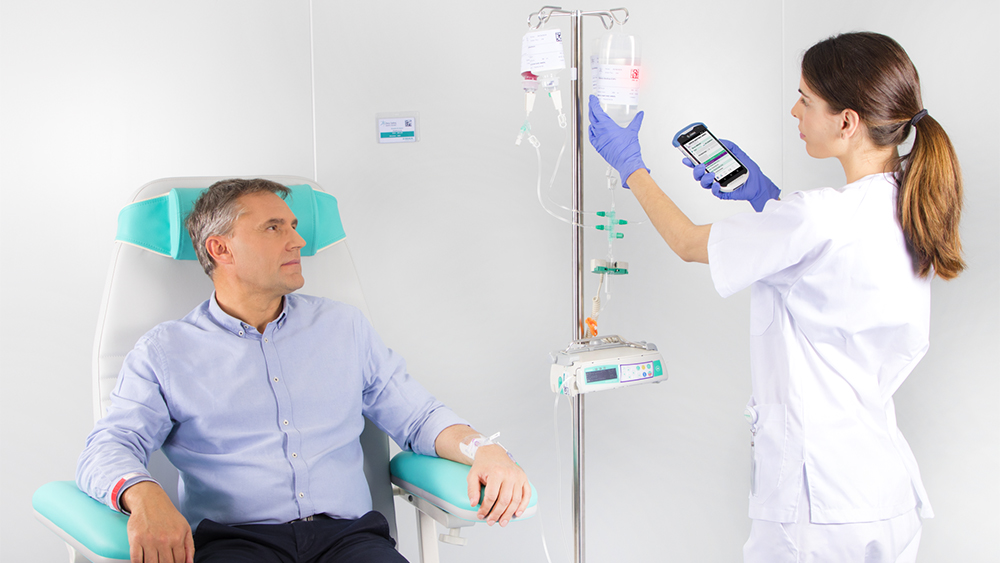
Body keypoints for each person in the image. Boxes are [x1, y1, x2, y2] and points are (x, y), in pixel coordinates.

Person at [588, 32, 963, 563]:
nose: (795, 110)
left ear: (847, 121)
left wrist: (631, 167)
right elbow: (824, 266)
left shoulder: (817, 216)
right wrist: (764, 197)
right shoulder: (910, 206)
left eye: (806, 100)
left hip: (815, 502)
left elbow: (689, 243)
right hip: (884, 494)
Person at [77, 178, 532, 563]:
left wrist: (483, 450)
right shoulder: (165, 351)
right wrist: (145, 496)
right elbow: (108, 447)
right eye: (273, 227)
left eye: (293, 225)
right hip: (237, 544)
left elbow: (416, 416)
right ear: (220, 249)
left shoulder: (343, 327)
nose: (298, 240)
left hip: (350, 540)